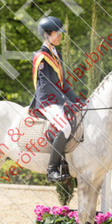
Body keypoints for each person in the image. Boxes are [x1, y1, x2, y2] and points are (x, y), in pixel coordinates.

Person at [29, 16, 78, 182]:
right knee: (65, 128)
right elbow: (46, 85)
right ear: (46, 35)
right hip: (46, 101)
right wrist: (65, 101)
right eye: (57, 34)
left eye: (60, 33)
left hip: (57, 99)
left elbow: (63, 83)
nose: (60, 36)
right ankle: (51, 170)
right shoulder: (41, 56)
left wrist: (76, 101)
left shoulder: (57, 55)